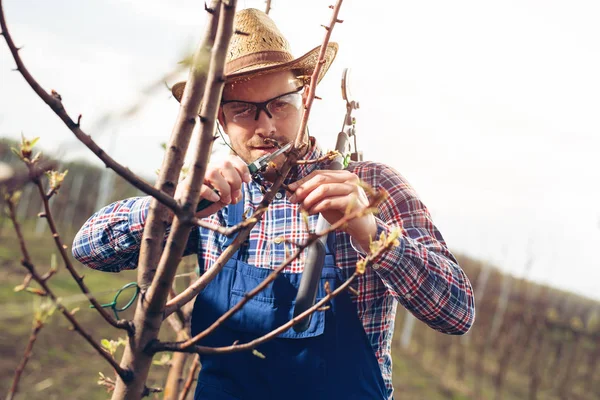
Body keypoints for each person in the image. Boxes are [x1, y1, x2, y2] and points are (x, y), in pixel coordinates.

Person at [72, 8, 475, 400]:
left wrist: (372, 233)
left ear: (305, 99)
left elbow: (456, 312)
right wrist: (175, 209)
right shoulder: (213, 196)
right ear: (220, 122)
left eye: (280, 104)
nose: (266, 126)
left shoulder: (371, 185)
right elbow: (88, 248)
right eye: (244, 110)